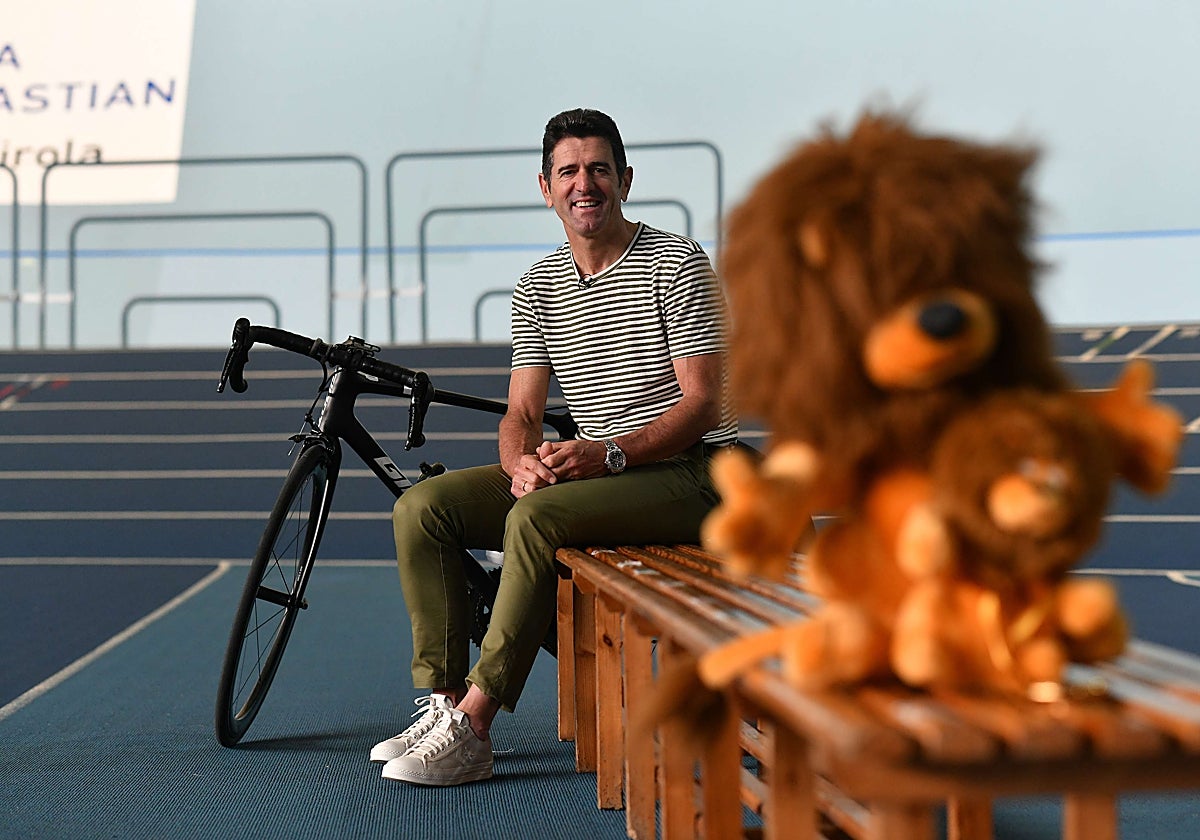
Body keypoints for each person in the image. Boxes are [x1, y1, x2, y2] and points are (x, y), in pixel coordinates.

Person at [373, 107, 738, 786]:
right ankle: (446, 701)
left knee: (535, 522)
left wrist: (611, 455)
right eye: (568, 171)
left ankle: (476, 728)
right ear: (545, 187)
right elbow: (521, 411)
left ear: (624, 178)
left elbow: (703, 403)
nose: (584, 184)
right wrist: (522, 466)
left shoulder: (677, 261)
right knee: (425, 508)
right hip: (605, 476)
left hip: (699, 473)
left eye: (598, 168)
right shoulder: (537, 285)